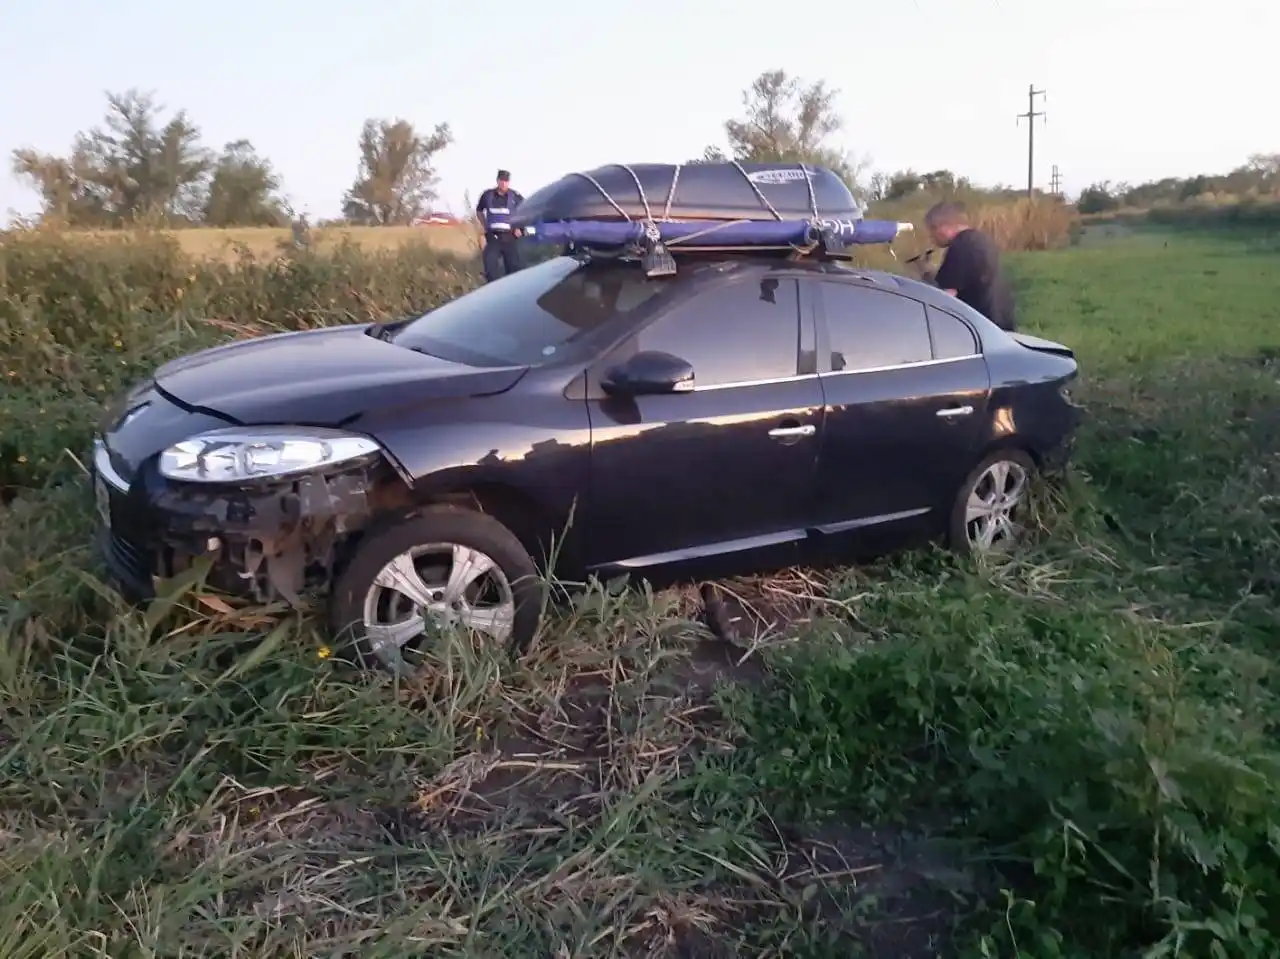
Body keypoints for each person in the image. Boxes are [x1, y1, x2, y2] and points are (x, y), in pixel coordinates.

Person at [917, 201, 1017, 331]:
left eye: (932, 230)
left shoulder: (960, 245)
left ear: (942, 227)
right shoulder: (982, 239)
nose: (931, 237)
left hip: (980, 325)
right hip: (1001, 318)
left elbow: (946, 296)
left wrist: (926, 276)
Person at [475, 169, 524, 282]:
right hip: (493, 237)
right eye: (501, 180)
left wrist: (519, 227)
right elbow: (479, 211)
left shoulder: (515, 196)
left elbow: (524, 211)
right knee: (490, 268)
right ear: (497, 181)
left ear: (509, 182)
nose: (503, 183)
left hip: (510, 237)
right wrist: (484, 225)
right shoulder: (487, 195)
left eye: (506, 181)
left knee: (514, 270)